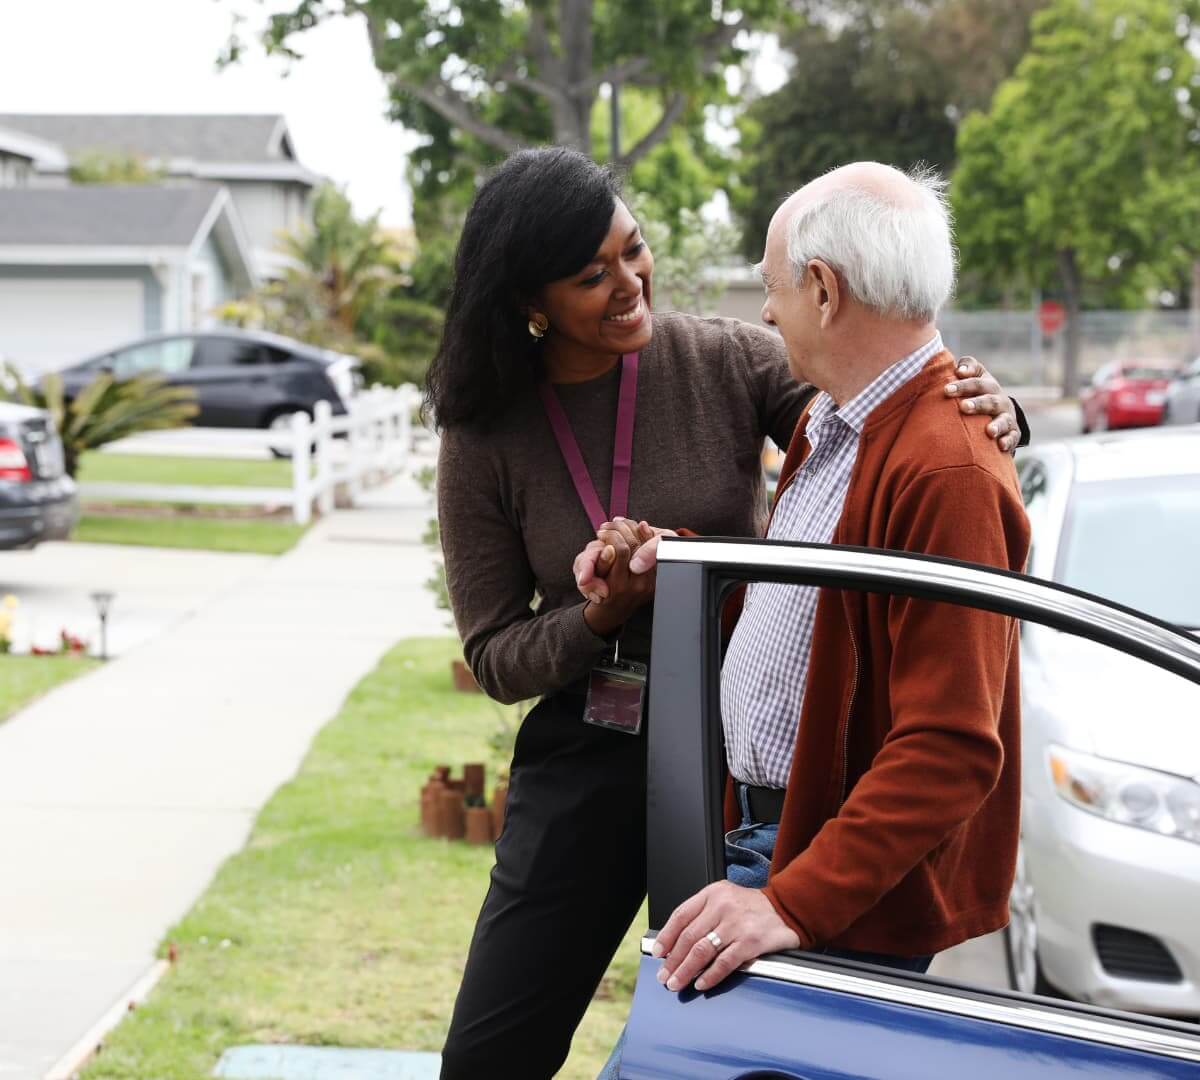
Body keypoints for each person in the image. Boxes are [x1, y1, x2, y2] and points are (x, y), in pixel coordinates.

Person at [429, 147, 1025, 1080]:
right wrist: (601, 615)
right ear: (529, 302)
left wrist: (992, 402)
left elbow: (879, 412)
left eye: (634, 250)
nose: (630, 283)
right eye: (592, 275)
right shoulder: (484, 432)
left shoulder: (724, 358)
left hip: (731, 764)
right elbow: (496, 654)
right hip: (593, 750)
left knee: (702, 1049)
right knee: (490, 1053)